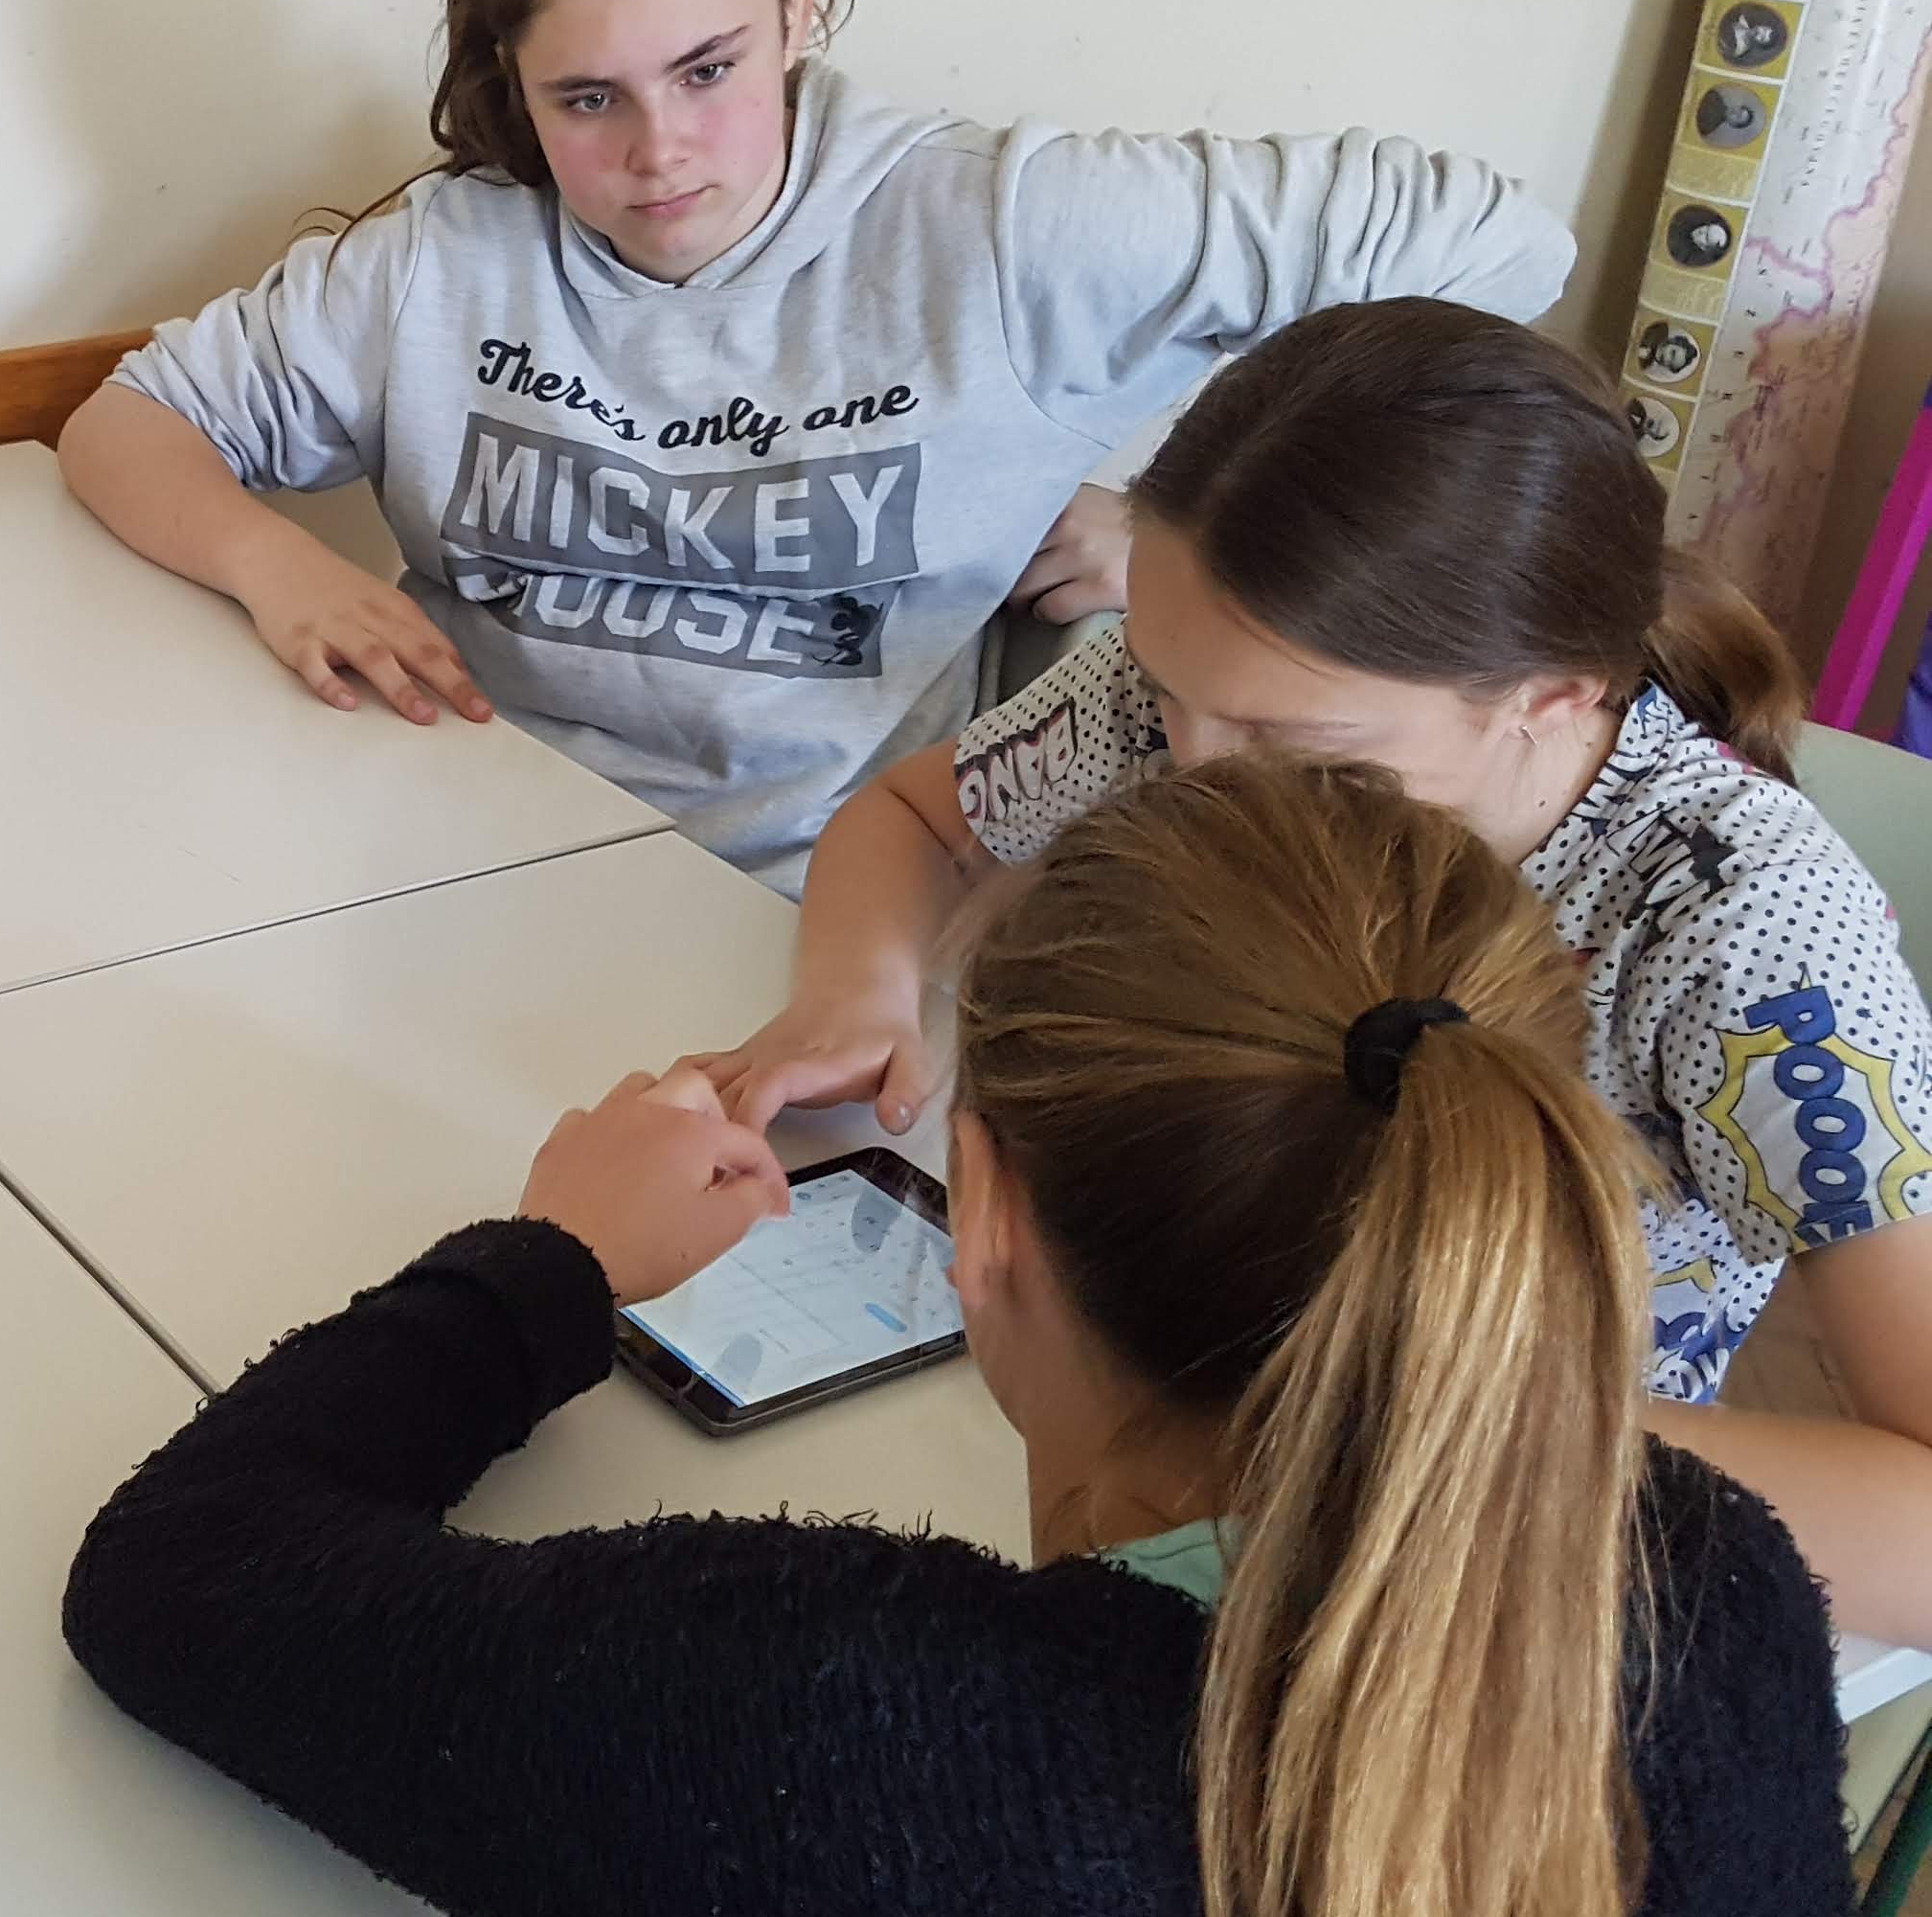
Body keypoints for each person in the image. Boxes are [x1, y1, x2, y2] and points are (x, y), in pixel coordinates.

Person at [67, 759, 1862, 1917]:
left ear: (980, 1210)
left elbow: (184, 1571)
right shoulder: (1715, 1585)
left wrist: (553, 1261)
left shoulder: (851, 1730)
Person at [57, 0, 1571, 890]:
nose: (660, 148)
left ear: (800, 13)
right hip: (441, 862)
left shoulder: (999, 226)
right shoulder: (439, 263)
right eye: (587, 99)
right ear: (514, 85)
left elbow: (1503, 245)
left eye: (709, 68)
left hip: (815, 905)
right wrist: (277, 566)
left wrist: (1190, 530)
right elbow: (126, 424)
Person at [707, 297, 1932, 1643]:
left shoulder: (1745, 932)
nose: (1193, 772)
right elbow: (921, 817)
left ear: (1552, 699)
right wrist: (858, 991)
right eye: (1163, 693)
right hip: (1139, 1383)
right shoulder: (1195, 696)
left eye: (1298, 747)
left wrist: (1422, 1422)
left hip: (1480, 1551)